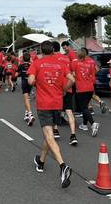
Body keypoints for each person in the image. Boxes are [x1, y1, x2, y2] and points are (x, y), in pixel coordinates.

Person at [28, 41, 74, 188]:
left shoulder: (37, 63)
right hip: (57, 103)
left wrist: (36, 81)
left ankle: (62, 166)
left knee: (48, 135)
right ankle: (40, 162)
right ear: (53, 51)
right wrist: (64, 89)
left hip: (44, 104)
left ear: (41, 50)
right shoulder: (61, 63)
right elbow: (72, 79)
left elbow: (30, 81)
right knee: (49, 136)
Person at [52, 41, 78, 145]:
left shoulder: (53, 59)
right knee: (69, 110)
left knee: (55, 109)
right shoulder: (67, 58)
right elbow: (72, 73)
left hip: (58, 88)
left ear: (52, 49)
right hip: (69, 86)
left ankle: (56, 130)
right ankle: (73, 135)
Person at [71, 48, 100, 136]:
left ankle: (93, 123)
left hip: (81, 88)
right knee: (85, 107)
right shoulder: (91, 63)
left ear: (78, 55)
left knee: (83, 108)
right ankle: (84, 125)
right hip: (90, 88)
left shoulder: (75, 62)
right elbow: (94, 72)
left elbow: (73, 75)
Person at [17, 52, 35, 126]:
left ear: (23, 58)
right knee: (27, 98)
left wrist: (19, 73)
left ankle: (30, 115)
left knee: (26, 99)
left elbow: (16, 74)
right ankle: (26, 115)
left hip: (24, 82)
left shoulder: (21, 65)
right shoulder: (32, 65)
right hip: (30, 83)